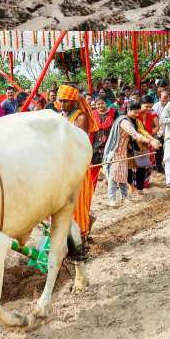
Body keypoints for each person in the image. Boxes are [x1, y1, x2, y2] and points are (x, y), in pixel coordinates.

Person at [57, 84, 101, 239]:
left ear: (74, 101)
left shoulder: (80, 117)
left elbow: (78, 144)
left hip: (77, 167)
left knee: (78, 203)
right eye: (61, 101)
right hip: (62, 167)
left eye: (66, 101)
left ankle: (82, 234)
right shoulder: (59, 116)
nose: (63, 105)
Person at [100, 102, 161, 207]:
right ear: (128, 110)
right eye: (134, 112)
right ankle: (112, 199)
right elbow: (135, 134)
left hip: (123, 152)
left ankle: (125, 197)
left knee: (123, 175)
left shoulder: (133, 120)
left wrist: (152, 139)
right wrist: (150, 142)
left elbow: (141, 132)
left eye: (138, 113)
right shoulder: (124, 121)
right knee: (113, 176)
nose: (136, 114)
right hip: (115, 151)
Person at [130, 96, 159, 195]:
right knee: (134, 165)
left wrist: (151, 137)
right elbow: (136, 132)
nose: (149, 109)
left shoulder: (151, 115)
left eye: (151, 107)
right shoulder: (134, 116)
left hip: (147, 142)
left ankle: (142, 185)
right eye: (146, 106)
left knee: (144, 164)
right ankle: (133, 185)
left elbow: (157, 127)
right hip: (135, 143)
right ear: (140, 105)